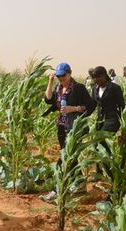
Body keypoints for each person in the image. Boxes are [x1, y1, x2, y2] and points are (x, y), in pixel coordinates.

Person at [41, 62, 95, 201]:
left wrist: (74, 108)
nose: (61, 78)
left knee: (65, 158)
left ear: (70, 73)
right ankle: (80, 184)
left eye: (63, 76)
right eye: (58, 76)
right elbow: (48, 100)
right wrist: (50, 81)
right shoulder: (58, 87)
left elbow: (90, 105)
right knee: (70, 156)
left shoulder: (78, 88)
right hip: (62, 127)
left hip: (75, 128)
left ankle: (57, 190)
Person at [90, 66, 125, 180]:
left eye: (98, 77)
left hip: (112, 119)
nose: (96, 80)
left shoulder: (114, 88)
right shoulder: (95, 88)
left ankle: (111, 172)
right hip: (100, 120)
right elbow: (93, 104)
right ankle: (99, 171)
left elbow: (121, 106)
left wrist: (123, 124)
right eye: (94, 78)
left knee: (102, 142)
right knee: (96, 145)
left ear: (104, 76)